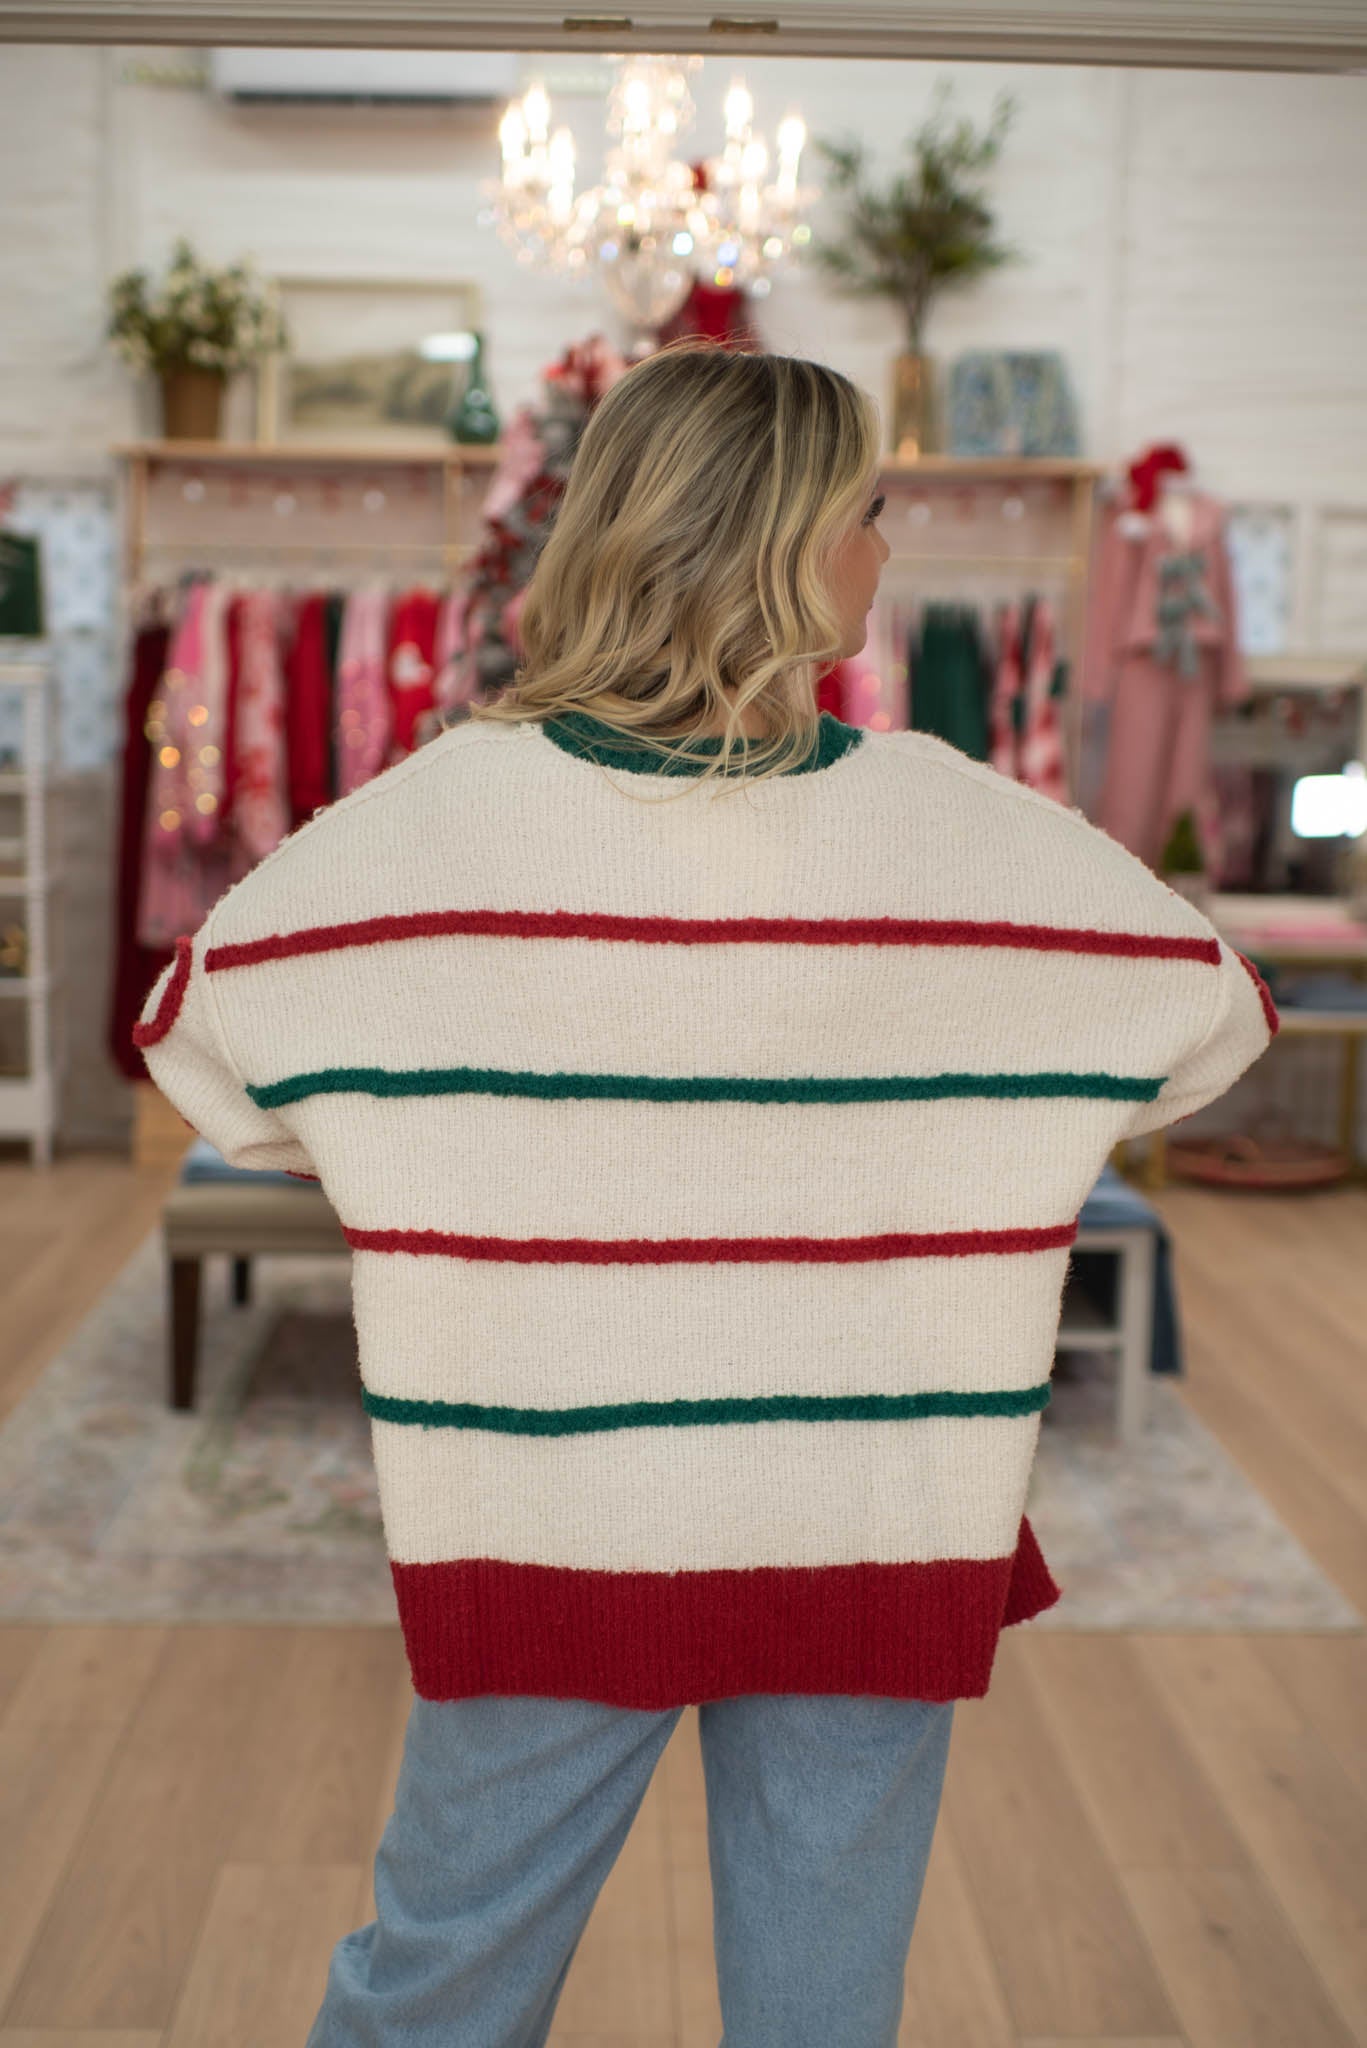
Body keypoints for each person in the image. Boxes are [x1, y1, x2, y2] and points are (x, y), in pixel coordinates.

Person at [133, 343, 1277, 2048]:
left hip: (545, 1506)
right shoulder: (972, 839)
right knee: (822, 2013)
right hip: (878, 1498)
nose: (891, 557)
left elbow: (204, 1048)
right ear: (788, 542)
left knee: (437, 1987)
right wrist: (960, 1128)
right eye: (869, 515)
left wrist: (448, 1145)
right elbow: (1212, 1021)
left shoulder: (426, 830)